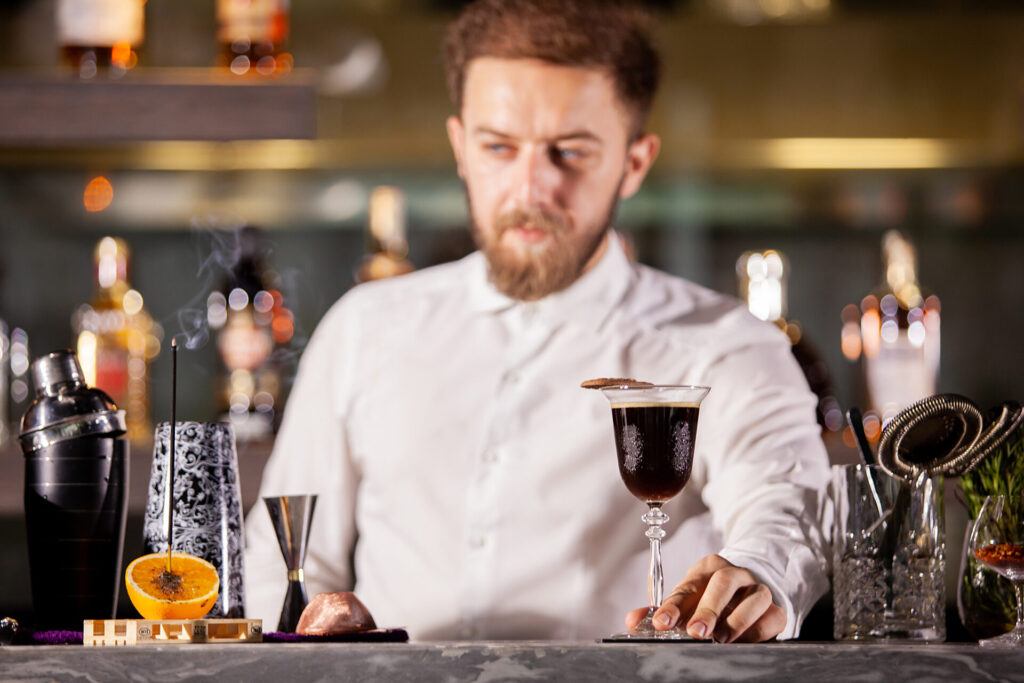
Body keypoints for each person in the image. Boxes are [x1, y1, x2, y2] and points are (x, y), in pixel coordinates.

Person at [244, 0, 830, 642]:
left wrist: (755, 576)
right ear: (460, 146)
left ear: (634, 162)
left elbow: (787, 512)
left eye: (570, 153)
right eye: (498, 147)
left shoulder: (725, 344)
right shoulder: (363, 327)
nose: (529, 188)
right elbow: (285, 564)